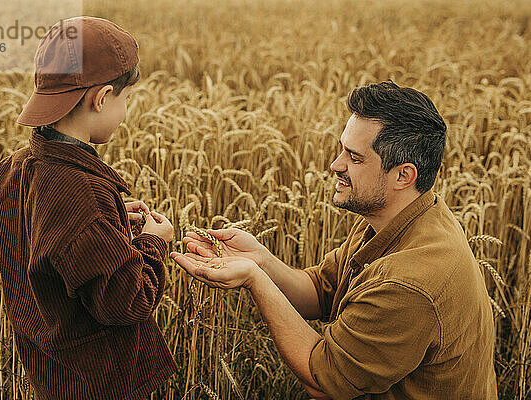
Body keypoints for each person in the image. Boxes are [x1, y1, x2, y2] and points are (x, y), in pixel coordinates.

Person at [172, 81, 498, 399]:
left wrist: (255, 280)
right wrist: (262, 260)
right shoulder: (397, 216)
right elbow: (321, 290)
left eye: (355, 158)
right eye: (342, 149)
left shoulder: (410, 282)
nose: (335, 164)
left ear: (403, 175)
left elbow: (323, 379)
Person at [0, 16, 176, 400]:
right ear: (102, 98)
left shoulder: (15, 168)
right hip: (102, 384)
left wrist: (109, 223)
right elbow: (128, 301)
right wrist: (155, 243)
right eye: (125, 99)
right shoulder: (83, 198)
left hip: (53, 374)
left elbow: (47, 239)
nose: (125, 113)